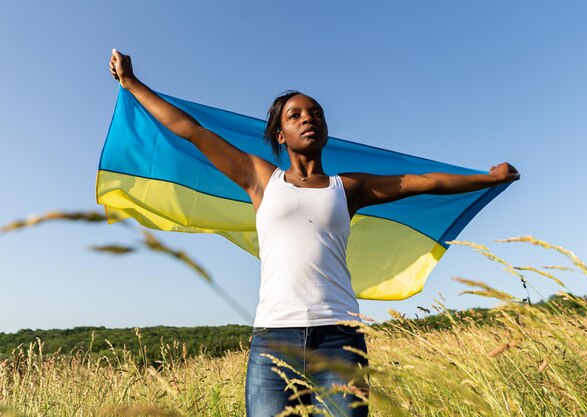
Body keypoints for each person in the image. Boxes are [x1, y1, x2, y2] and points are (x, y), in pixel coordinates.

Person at [109, 49, 520, 417]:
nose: (309, 118)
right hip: (273, 340)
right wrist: (133, 83)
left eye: (317, 113)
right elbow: (191, 131)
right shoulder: (260, 178)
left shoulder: (348, 188)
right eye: (296, 115)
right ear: (279, 135)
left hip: (339, 337)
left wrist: (484, 179)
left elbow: (422, 181)